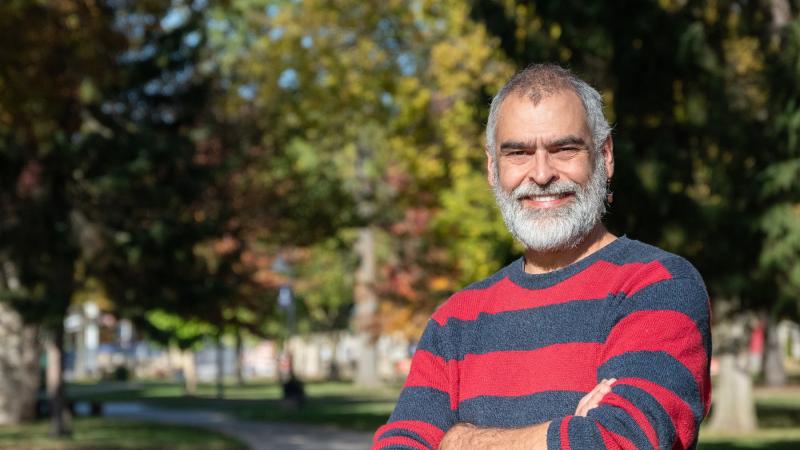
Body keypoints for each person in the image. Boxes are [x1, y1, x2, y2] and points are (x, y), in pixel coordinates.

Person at [371, 64, 711, 450]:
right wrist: (569, 431)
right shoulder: (456, 320)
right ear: (491, 168)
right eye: (518, 153)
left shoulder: (657, 285)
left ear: (605, 155)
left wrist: (455, 440)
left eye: (564, 149)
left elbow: (620, 441)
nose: (542, 173)